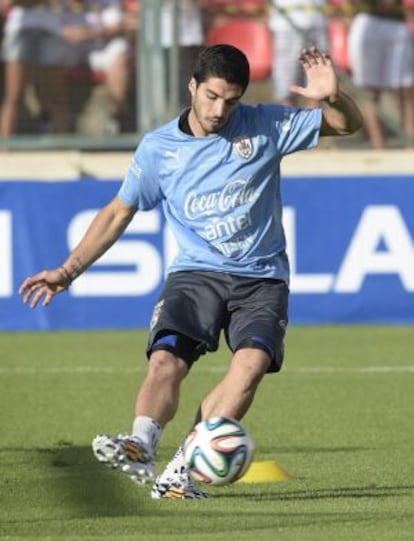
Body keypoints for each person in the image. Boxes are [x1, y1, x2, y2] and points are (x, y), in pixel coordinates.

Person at [19, 44, 362, 500]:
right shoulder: (160, 149)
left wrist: (333, 98)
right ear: (193, 86)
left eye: (232, 100)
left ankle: (181, 469)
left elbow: (346, 124)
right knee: (167, 359)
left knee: (252, 364)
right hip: (197, 273)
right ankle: (140, 445)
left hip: (262, 277)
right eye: (213, 97)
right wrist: (67, 270)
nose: (221, 110)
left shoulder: (265, 125)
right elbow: (119, 212)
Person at [347, 0, 414, 148]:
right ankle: (379, 147)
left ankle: (410, 147)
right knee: (370, 90)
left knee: (406, 90)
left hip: (397, 22)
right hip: (367, 21)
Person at [0, 1, 71, 138]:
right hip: (19, 31)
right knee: (14, 95)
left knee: (55, 95)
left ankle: (64, 147)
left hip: (53, 30)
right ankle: (3, 149)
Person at [61, 0, 132, 134]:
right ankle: (50, 118)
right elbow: (57, 27)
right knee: (52, 55)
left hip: (99, 47)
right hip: (68, 49)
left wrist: (89, 33)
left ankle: (115, 116)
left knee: (120, 49)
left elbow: (115, 27)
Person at [269, 0, 329, 106]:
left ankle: (314, 122)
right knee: (287, 92)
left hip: (317, 24)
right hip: (286, 27)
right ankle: (288, 121)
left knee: (317, 91)